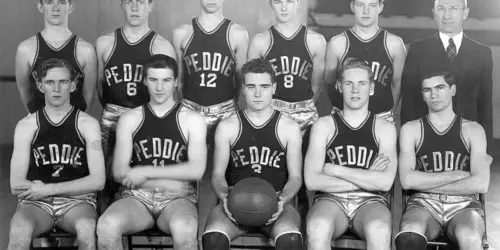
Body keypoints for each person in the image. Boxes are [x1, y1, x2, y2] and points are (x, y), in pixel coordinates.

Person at [96, 54, 207, 250]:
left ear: (176, 83)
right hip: (137, 197)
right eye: (154, 80)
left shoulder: (192, 119)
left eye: (166, 80)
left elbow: (196, 170)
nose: (159, 87)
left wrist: (145, 173)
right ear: (145, 81)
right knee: (107, 226)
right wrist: (162, 181)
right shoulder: (130, 119)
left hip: (178, 199)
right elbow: (120, 172)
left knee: (185, 228)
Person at [202, 58, 304, 250]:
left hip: (276, 203)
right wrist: (225, 197)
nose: (258, 93)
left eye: (264, 87)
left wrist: (283, 201)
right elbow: (217, 174)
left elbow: (296, 177)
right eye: (251, 87)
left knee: (290, 240)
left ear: (274, 87)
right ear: (243, 88)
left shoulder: (289, 127)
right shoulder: (227, 126)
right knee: (213, 238)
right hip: (234, 200)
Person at [8, 58, 105, 250]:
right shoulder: (27, 126)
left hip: (77, 202)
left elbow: (98, 181)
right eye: (50, 82)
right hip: (36, 203)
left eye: (63, 82)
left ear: (73, 85)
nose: (57, 88)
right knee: (19, 231)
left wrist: (48, 189)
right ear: (40, 86)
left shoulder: (88, 124)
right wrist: (43, 193)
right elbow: (16, 185)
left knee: (87, 228)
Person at [305, 58, 397, 250]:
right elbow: (312, 181)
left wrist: (334, 169)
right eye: (349, 84)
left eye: (362, 84)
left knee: (379, 229)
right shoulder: (324, 125)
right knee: (317, 227)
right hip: (330, 199)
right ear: (339, 86)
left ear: (371, 88)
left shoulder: (385, 128)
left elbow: (385, 183)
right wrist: (366, 177)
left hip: (370, 201)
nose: (355, 90)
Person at [395, 70, 491, 250]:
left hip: (464, 205)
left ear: (453, 90)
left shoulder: (473, 130)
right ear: (423, 96)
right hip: (423, 203)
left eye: (440, 87)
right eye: (427, 90)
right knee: (410, 234)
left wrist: (423, 181)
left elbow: (481, 184)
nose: (434, 95)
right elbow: (407, 181)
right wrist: (458, 175)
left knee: (470, 237)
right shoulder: (412, 129)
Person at [96, 0, 176, 208]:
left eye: (140, 2)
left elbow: (168, 92)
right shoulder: (105, 43)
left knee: (143, 183)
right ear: (121, 5)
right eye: (129, 1)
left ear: (150, 6)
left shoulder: (161, 45)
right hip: (113, 116)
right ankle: (106, 234)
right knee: (107, 180)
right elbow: (99, 86)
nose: (134, 8)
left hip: (146, 118)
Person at [400, 0, 493, 150]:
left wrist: (486, 150)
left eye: (453, 8)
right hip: (428, 141)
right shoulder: (418, 50)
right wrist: (409, 147)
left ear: (465, 13)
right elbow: (409, 103)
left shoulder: (482, 53)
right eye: (441, 8)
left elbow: (485, 105)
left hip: (468, 142)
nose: (447, 15)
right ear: (434, 13)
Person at [173, 0, 249, 140]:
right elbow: (178, 81)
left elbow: (240, 81)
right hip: (189, 109)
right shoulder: (182, 32)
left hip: (225, 112)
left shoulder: (238, 33)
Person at [247, 0, 325, 132]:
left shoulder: (316, 41)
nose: (284, 7)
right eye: (278, 2)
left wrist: (303, 107)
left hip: (305, 113)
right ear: (271, 4)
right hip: (271, 111)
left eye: (289, 1)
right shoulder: (260, 41)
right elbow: (251, 85)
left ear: (298, 2)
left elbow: (316, 84)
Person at [325, 0, 406, 123]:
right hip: (344, 117)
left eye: (372, 5)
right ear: (352, 6)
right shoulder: (338, 43)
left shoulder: (394, 44)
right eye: (360, 5)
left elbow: (397, 84)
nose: (366, 11)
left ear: (380, 7)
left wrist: (388, 113)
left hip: (381, 117)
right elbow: (329, 83)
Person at [15, 0, 97, 114]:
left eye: (62, 2)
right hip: (39, 126)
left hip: (74, 126)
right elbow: (25, 93)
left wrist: (75, 126)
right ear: (40, 7)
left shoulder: (86, 50)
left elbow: (88, 96)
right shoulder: (26, 49)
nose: (56, 8)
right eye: (49, 2)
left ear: (70, 7)